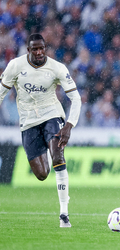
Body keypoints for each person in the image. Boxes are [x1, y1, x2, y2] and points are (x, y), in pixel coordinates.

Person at [0, 34, 81, 227]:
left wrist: (69, 124)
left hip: (52, 115)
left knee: (58, 157)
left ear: (46, 48)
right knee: (42, 174)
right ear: (28, 50)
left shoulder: (57, 68)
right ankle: (46, 147)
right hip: (28, 121)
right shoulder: (15, 66)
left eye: (42, 48)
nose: (39, 52)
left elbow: (76, 98)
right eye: (34, 49)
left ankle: (64, 214)